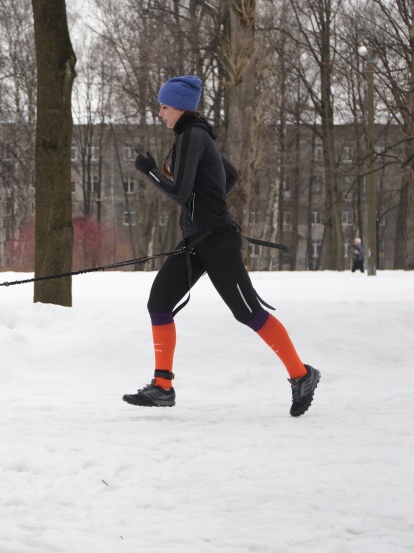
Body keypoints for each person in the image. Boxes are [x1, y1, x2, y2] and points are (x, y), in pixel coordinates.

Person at [124, 75, 320, 417]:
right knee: (159, 302)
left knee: (248, 312)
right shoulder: (193, 137)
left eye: (164, 106)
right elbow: (229, 176)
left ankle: (302, 375)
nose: (160, 113)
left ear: (180, 107)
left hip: (217, 241)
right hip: (197, 239)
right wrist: (209, 205)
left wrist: (151, 171)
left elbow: (180, 193)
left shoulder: (194, 137)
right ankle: (162, 387)